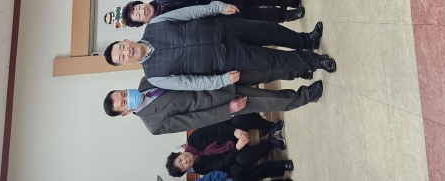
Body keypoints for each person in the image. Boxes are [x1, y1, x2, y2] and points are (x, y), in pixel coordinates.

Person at [103, 1, 335, 89]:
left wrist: (217, 7)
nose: (126, 52)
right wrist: (221, 80)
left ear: (126, 40)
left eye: (122, 48)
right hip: (225, 58)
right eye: (122, 57)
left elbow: (188, 13)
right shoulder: (154, 76)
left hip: (223, 27)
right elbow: (190, 83)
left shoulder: (154, 25)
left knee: (271, 31)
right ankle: (317, 62)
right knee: (272, 60)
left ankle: (307, 40)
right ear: (126, 64)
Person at [102, 77, 323, 135]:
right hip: (219, 101)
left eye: (123, 93)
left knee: (266, 70)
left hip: (218, 76)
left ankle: (303, 67)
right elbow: (194, 120)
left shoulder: (146, 81)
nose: (128, 97)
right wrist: (228, 110)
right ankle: (305, 96)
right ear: (126, 112)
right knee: (267, 100)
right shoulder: (154, 124)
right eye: (124, 102)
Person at [166, 116, 292, 180]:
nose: (185, 161)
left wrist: (235, 131)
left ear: (179, 153)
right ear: (186, 170)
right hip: (230, 157)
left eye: (180, 160)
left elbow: (215, 127)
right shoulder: (200, 168)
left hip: (229, 132)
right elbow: (222, 163)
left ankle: (271, 127)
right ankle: (273, 147)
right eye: (183, 166)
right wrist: (237, 147)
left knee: (240, 118)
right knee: (240, 169)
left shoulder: (193, 139)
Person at [122, 0, 304, 25]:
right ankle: (287, 16)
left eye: (137, 8)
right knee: (258, 15)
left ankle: (288, 0)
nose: (141, 11)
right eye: (138, 15)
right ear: (142, 22)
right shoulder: (162, 23)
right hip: (217, 16)